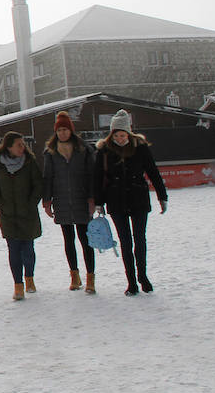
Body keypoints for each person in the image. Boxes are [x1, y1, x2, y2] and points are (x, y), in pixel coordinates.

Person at [93, 110, 168, 296]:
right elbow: (97, 177)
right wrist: (98, 202)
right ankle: (131, 281)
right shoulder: (104, 150)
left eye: (123, 134)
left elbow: (153, 172)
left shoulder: (140, 147)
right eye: (116, 135)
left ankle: (143, 276)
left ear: (129, 133)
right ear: (112, 134)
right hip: (116, 201)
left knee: (139, 239)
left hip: (138, 199)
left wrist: (162, 196)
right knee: (125, 242)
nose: (119, 138)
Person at [41, 111, 98, 294]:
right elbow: (47, 177)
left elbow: (91, 175)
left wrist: (92, 198)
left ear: (71, 131)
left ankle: (90, 278)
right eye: (59, 130)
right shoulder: (50, 152)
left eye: (65, 129)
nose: (62, 133)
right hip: (62, 201)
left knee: (85, 239)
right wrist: (47, 201)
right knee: (68, 240)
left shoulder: (84, 149)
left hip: (81, 200)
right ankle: (74, 275)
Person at [0, 132, 44, 301]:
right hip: (8, 215)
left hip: (27, 214)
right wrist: (1, 206)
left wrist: (31, 203)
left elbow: (38, 185)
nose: (22, 147)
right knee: (13, 250)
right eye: (19, 144)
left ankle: (29, 278)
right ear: (8, 146)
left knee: (28, 249)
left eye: (22, 144)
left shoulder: (29, 162)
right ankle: (18, 285)